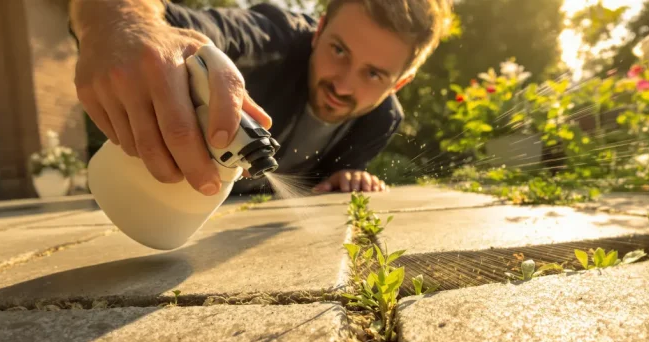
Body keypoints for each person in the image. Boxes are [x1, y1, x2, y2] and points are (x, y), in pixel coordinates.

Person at [69, 0, 452, 195]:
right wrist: (117, 25)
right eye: (338, 50)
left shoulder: (382, 119)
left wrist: (347, 179)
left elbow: (338, 174)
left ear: (398, 84)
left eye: (374, 74)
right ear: (318, 31)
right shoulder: (274, 38)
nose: (344, 86)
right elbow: (160, 17)